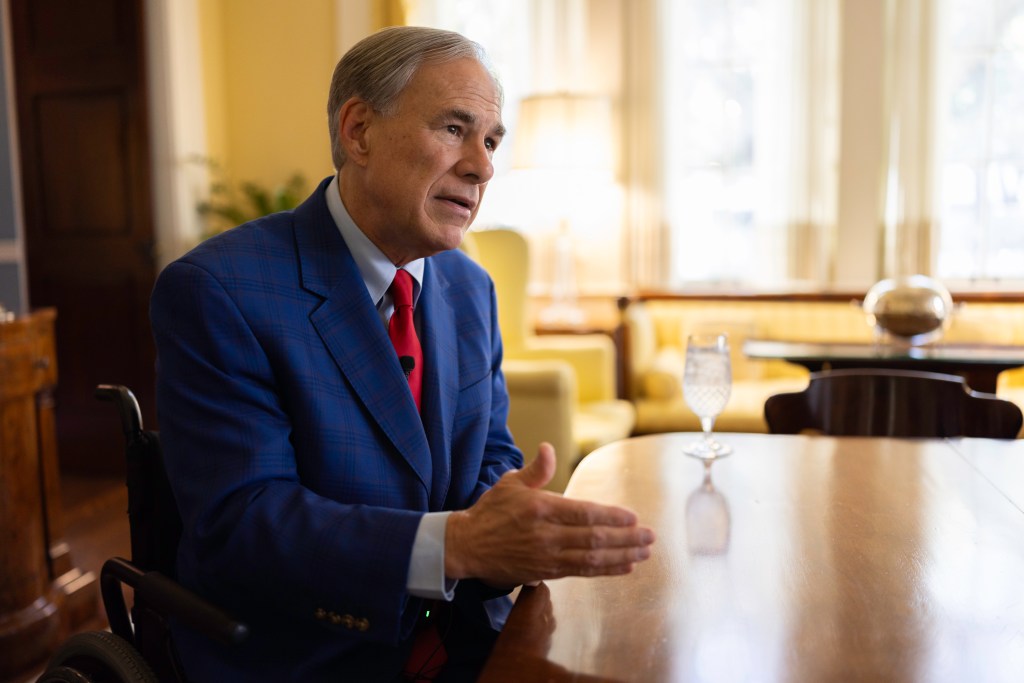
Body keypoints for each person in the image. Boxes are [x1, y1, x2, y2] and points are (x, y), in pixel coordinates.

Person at [150, 26, 655, 682]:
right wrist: (457, 545)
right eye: (454, 128)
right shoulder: (220, 290)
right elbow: (243, 525)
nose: (482, 165)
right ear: (359, 130)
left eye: (492, 140)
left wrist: (512, 513)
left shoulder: (470, 287)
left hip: (468, 639)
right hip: (311, 656)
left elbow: (490, 454)